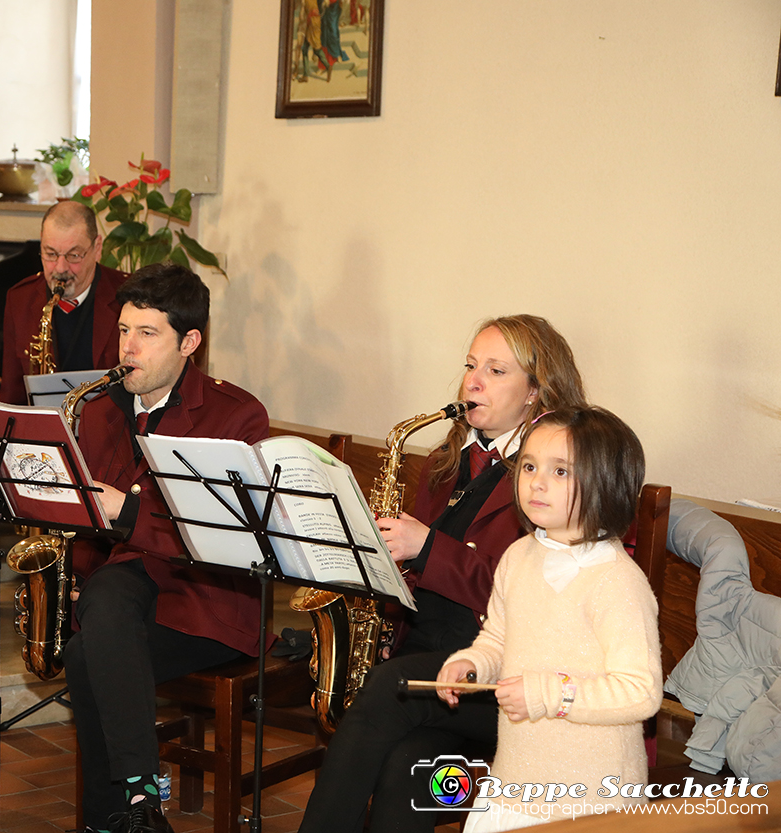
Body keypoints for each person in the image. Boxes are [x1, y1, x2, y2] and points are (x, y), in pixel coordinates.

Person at [297, 314, 587, 833]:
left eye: (496, 371)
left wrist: (426, 546)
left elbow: (528, 595)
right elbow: (416, 572)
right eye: (471, 366)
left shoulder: (556, 473)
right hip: (433, 671)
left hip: (507, 676)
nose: (472, 381)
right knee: (408, 767)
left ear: (536, 392)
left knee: (388, 690)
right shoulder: (450, 459)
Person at [65, 263, 268, 833]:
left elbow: (223, 535)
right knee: (91, 634)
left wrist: (126, 513)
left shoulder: (236, 415)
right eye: (124, 330)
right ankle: (134, 813)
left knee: (97, 623)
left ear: (190, 343)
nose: (127, 348)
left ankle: (125, 810)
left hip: (203, 603)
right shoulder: (100, 408)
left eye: (146, 334)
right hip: (121, 606)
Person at [438, 407, 660, 829]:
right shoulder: (519, 556)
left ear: (606, 485)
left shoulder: (617, 582)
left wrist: (548, 693)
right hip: (515, 781)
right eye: (528, 466)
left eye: (560, 472)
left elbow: (641, 692)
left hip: (591, 799)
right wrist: (471, 664)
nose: (536, 482)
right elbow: (498, 640)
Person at [0, 200, 126, 404]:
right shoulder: (20, 299)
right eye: (50, 254)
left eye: (74, 255)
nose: (60, 268)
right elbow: (12, 396)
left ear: (97, 248)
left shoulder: (127, 297)